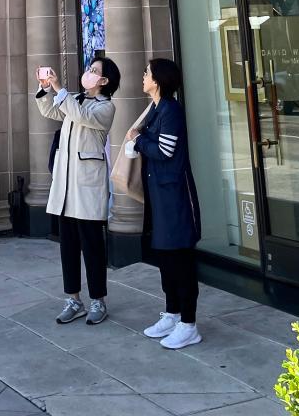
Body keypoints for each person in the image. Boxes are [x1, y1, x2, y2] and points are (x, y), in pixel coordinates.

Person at [35, 56, 120, 326]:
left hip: (87, 185)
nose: (88, 73)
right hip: (66, 185)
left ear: (104, 81)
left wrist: (59, 89)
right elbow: (50, 111)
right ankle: (73, 298)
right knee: (68, 246)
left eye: (94, 71)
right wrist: (46, 88)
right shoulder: (74, 99)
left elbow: (80, 116)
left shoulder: (106, 107)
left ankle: (98, 300)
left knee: (92, 245)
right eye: (89, 68)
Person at [125, 57, 202, 350]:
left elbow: (165, 150)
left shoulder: (170, 109)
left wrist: (138, 140)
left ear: (158, 80)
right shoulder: (157, 109)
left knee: (180, 259)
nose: (143, 76)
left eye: (147, 72)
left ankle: (189, 324)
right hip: (159, 194)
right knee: (166, 259)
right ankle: (172, 313)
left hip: (175, 197)